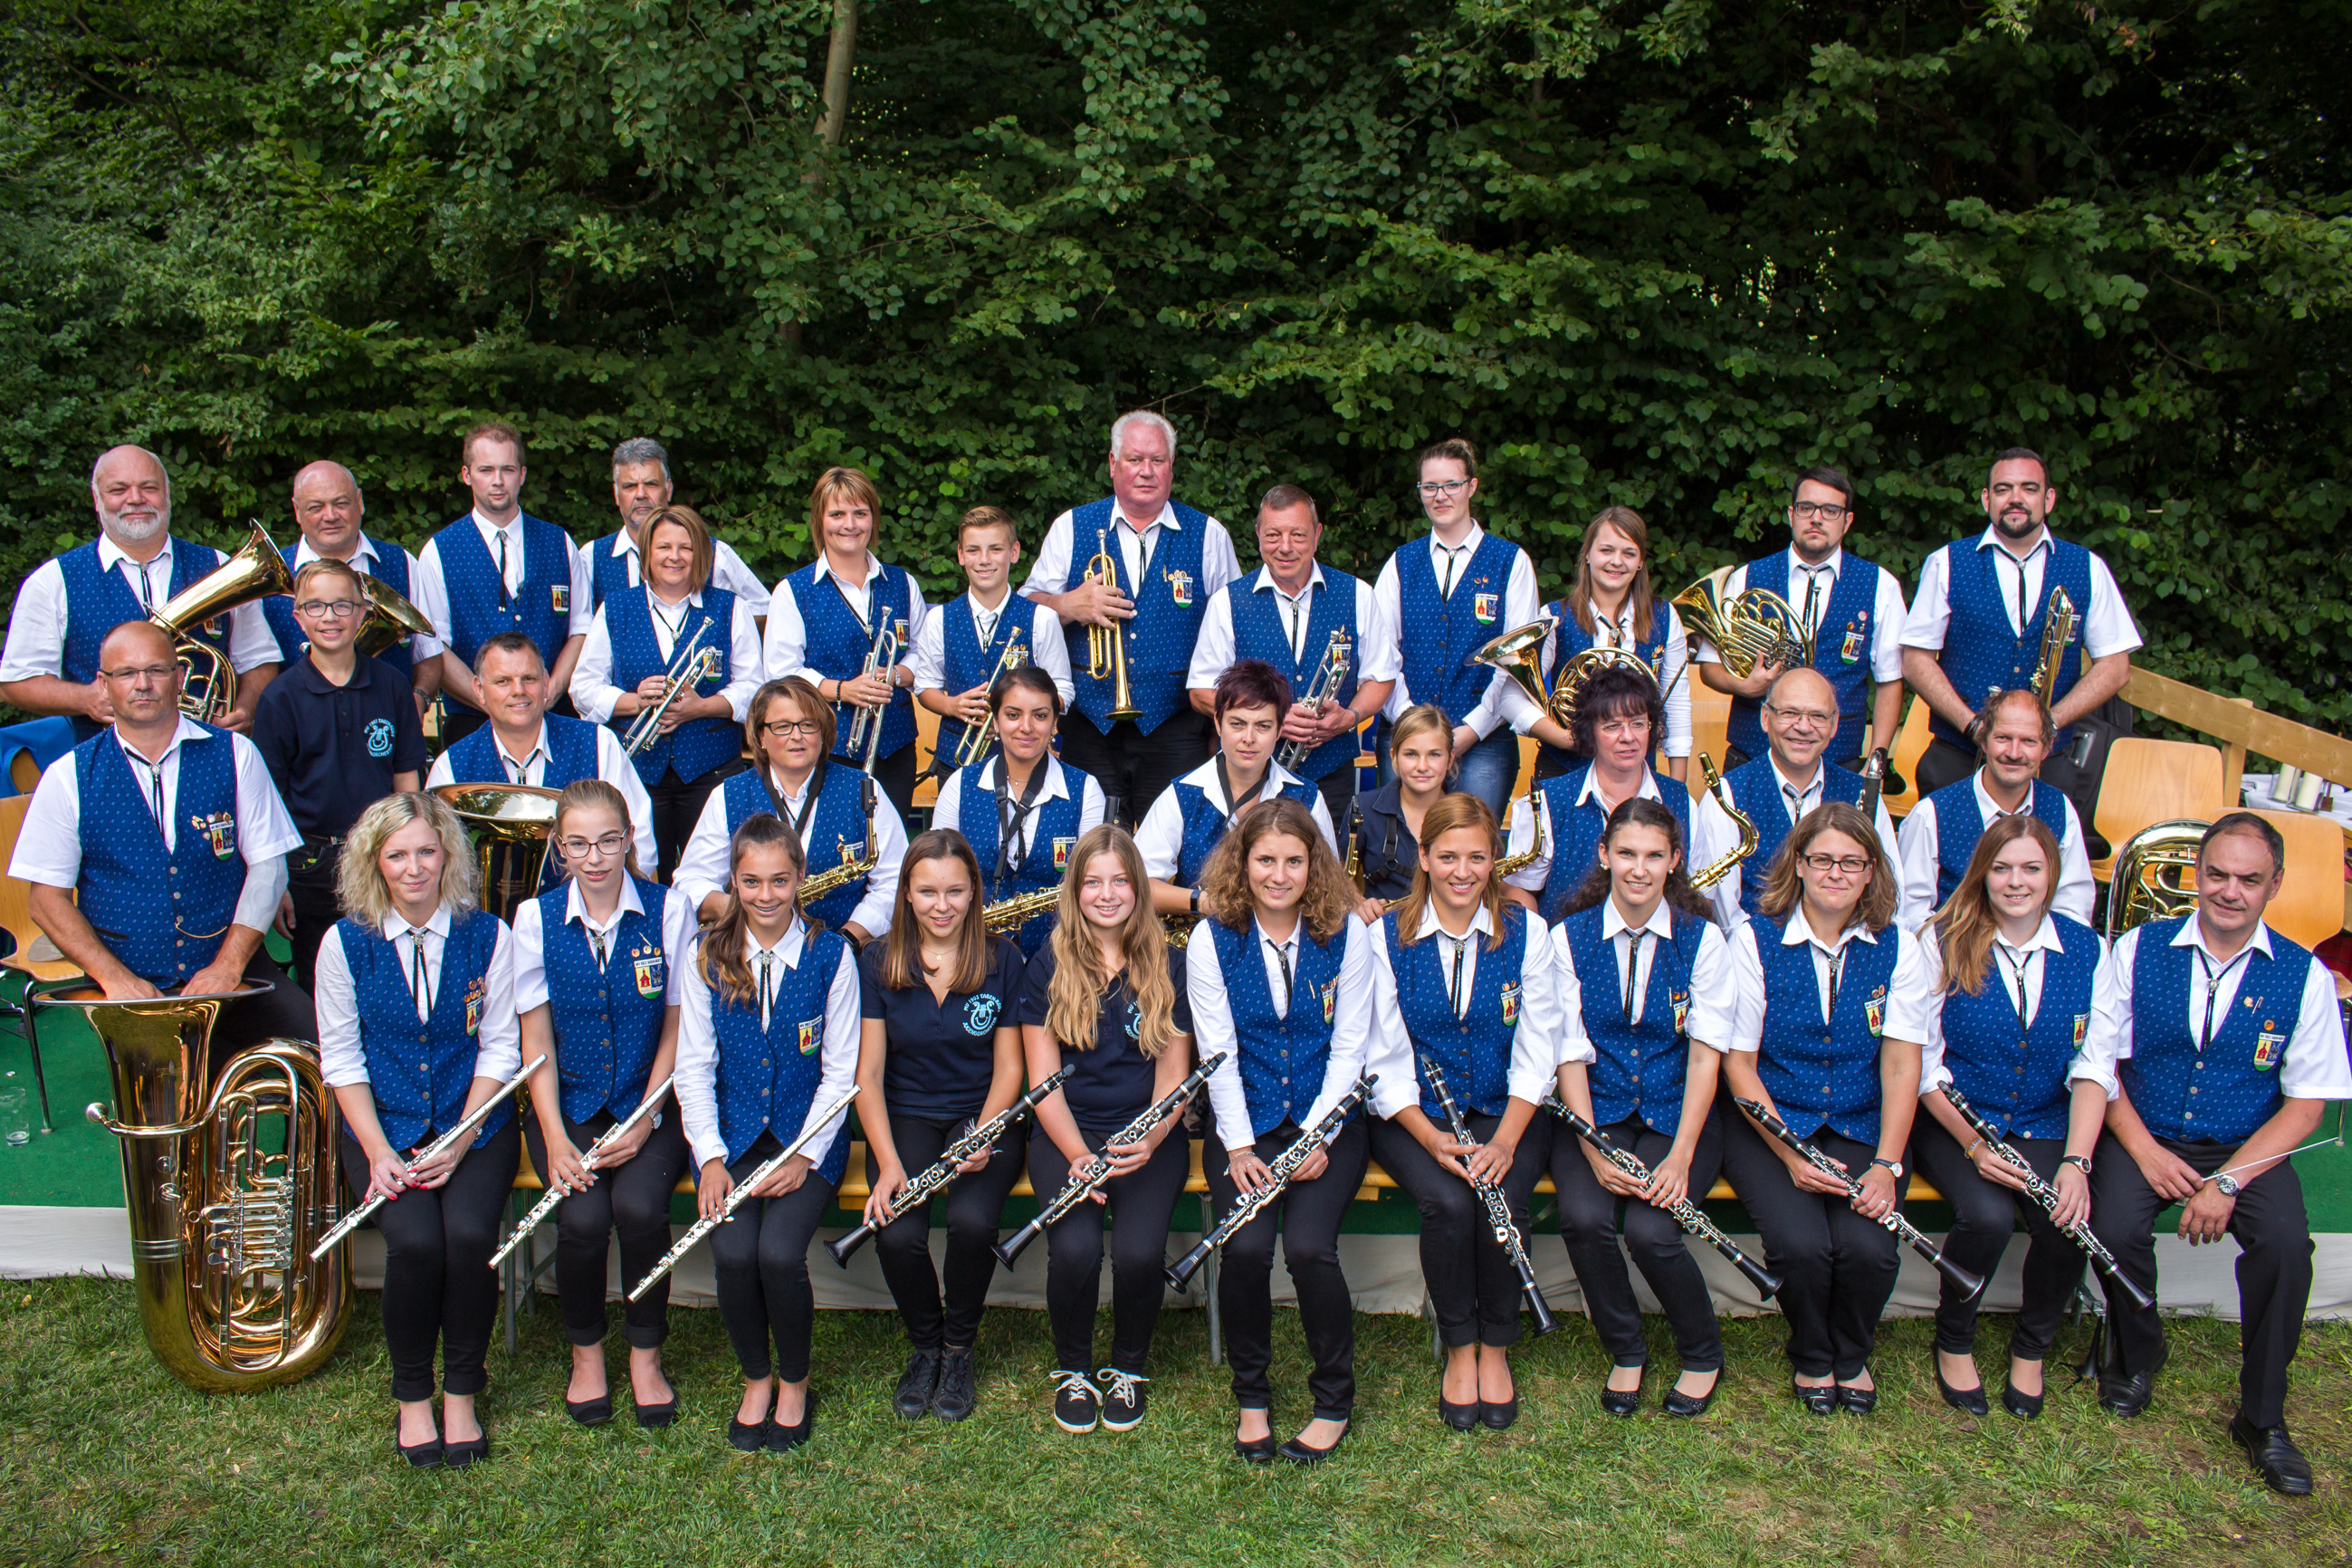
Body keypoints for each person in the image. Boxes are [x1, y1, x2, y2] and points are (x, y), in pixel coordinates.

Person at [2070, 813, 2352, 1494]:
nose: (2230, 892)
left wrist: (2225, 1183)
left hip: (2244, 1145)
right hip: (2146, 1128)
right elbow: (2100, 1062)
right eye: (2218, 875)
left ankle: (2262, 1417)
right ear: (2199, 875)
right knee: (2111, 1228)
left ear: (2275, 884)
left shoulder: (2306, 976)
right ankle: (2137, 1351)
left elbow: (2307, 1104)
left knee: (2287, 1246)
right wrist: (2142, 1151)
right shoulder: (2136, 949)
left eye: (2249, 880)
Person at [313, 791, 522, 1469]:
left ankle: (461, 1390)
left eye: (426, 851)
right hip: (386, 1128)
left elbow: (499, 1048)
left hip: (474, 1126)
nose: (413, 868)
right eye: (397, 854)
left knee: (467, 1240)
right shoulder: (343, 945)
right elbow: (342, 1059)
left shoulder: (490, 934)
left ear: (448, 855)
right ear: (374, 862)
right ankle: (412, 1397)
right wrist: (376, 1153)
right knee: (414, 1245)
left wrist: (464, 1136)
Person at [1709, 802, 1932, 1415]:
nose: (1836, 873)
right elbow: (1739, 1065)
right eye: (1823, 859)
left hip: (1863, 1121)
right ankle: (1812, 1354)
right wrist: (1789, 1154)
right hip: (1770, 1122)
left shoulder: (1899, 948)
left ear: (1871, 873)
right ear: (1799, 865)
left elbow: (1900, 1064)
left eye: (1852, 862)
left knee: (1869, 1247)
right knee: (1800, 1244)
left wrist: (1886, 1165)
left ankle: (1850, 1354)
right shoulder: (1753, 940)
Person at [12, 621, 314, 1063]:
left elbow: (268, 868)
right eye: (126, 673)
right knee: (163, 1112)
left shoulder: (236, 753)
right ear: (103, 683)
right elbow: (46, 900)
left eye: (156, 670)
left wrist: (227, 967)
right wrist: (113, 978)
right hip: (131, 983)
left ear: (178, 676)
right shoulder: (67, 776)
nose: (142, 684)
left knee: (327, 1060)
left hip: (235, 970)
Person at [1892, 815, 2111, 1420]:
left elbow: (2095, 1063)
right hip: (1954, 1121)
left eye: (2032, 869)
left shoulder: (2088, 949)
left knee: (2065, 1216)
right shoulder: (1941, 939)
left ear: (2052, 874)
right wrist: (1975, 1147)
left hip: (2043, 1120)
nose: (2017, 882)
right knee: (1985, 1215)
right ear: (1982, 872)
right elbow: (1924, 1063)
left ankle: (2032, 1348)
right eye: (2003, 867)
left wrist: (2075, 1162)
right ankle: (1954, 1337)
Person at [1363, 793, 1561, 1431]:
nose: (1462, 870)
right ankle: (1459, 1346)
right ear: (1423, 856)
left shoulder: (1528, 932)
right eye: (1447, 856)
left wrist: (1503, 1141)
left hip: (1508, 1109)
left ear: (1494, 859)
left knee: (1507, 1197)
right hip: (1414, 1113)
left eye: (1477, 857)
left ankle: (1496, 1348)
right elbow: (1383, 1056)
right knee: (1448, 1203)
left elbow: (1539, 1046)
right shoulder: (1383, 934)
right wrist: (1430, 1137)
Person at [1188, 798, 1375, 1464]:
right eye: (1265, 860)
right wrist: (1238, 1146)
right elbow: (1217, 1052)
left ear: (1313, 865)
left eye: (1293, 861)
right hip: (1247, 1118)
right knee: (1243, 1249)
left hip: (1328, 1120)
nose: (1279, 873)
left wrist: (1320, 1135)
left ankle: (1333, 1399)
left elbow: (1352, 1043)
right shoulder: (1212, 938)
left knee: (1308, 1248)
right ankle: (1253, 1397)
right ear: (1242, 864)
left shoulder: (1348, 932)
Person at [674, 813, 863, 1452]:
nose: (765, 896)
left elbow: (841, 1073)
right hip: (732, 1140)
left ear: (801, 879)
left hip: (806, 1138)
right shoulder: (705, 954)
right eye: (751, 881)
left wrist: (806, 1154)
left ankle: (794, 1381)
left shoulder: (832, 954)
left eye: (779, 881)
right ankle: (756, 1377)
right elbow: (693, 1066)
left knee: (779, 1255)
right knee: (731, 1255)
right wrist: (709, 1159)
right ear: (733, 880)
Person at [511, 781, 695, 1429]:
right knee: (584, 1220)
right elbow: (535, 1041)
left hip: (654, 1099)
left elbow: (678, 1025)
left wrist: (647, 1118)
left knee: (640, 1207)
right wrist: (557, 1137)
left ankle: (645, 1354)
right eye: (580, 844)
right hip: (570, 1104)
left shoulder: (670, 910)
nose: (595, 858)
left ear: (629, 841)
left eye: (609, 841)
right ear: (560, 848)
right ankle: (586, 1354)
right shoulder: (533, 920)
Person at [1544, 799, 1735, 1418]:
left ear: (1674, 861)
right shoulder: (1565, 937)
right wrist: (1593, 1145)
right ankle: (1626, 1347)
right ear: (1604, 855)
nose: (1639, 868)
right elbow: (1568, 1049)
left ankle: (1702, 1352)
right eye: (1626, 853)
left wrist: (1680, 1156)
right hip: (1592, 1112)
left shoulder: (1703, 941)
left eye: (1654, 855)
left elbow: (1706, 1057)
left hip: (1677, 1113)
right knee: (1583, 1215)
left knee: (1654, 1230)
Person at [1019, 825, 1198, 1435]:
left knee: (1138, 1252)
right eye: (1093, 882)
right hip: (1068, 1132)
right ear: (1074, 890)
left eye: (1120, 881)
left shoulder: (1167, 959)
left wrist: (1148, 1139)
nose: (1107, 894)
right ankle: (1073, 1369)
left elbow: (1175, 1076)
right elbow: (1042, 1082)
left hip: (1150, 1132)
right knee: (1072, 1250)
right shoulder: (1048, 959)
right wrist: (1077, 1154)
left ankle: (1127, 1368)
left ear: (1139, 888)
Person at [854, 829, 1028, 1423]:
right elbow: (870, 1075)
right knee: (897, 1230)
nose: (942, 904)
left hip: (984, 1113)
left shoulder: (1003, 958)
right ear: (906, 893)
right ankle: (925, 1347)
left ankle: (959, 1348)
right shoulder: (877, 961)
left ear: (974, 892)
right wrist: (889, 1164)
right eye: (928, 891)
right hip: (906, 1115)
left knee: (972, 1220)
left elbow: (1010, 1067)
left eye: (956, 891)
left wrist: (982, 1134)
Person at [1019, 410, 1243, 827]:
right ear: (1112, 464)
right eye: (1135, 459)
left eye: (1157, 461)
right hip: (1090, 726)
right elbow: (1024, 610)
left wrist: (1221, 721)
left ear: (1172, 469)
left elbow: (1234, 631)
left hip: (1178, 727)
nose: (1146, 471)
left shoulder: (1209, 534)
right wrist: (1068, 605)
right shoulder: (1071, 526)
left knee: (1178, 850)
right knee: (1095, 849)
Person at [1898, 446, 2142, 821]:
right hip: (1957, 757)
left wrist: (2049, 724)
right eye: (2003, 489)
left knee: (2037, 873)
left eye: (2029, 488)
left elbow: (2115, 666)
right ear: (1986, 499)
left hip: (2048, 763)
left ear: (2049, 499)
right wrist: (1972, 724)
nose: (2015, 499)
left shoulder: (2086, 567)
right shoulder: (1946, 562)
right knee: (1947, 873)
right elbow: (1915, 661)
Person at [0, 445, 280, 738]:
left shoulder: (220, 567)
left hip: (208, 757)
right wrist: (84, 699)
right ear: (97, 499)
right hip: (106, 764)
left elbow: (259, 659)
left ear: (167, 495)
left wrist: (247, 709)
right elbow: (15, 683)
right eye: (118, 490)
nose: (135, 499)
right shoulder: (53, 581)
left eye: (149, 487)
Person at [252, 559, 427, 987]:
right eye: (315, 607)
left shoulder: (390, 685)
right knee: (321, 981)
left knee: (387, 975)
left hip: (382, 858)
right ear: (297, 616)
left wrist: (412, 853)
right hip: (310, 866)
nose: (329, 616)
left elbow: (406, 780)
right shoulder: (279, 698)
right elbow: (267, 805)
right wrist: (277, 885)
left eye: (342, 605)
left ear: (364, 612)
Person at [569, 504, 760, 879]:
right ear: (647, 553)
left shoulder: (730, 608)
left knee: (720, 876)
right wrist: (635, 701)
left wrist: (701, 706)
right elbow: (583, 688)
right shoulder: (617, 608)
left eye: (686, 547)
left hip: (712, 770)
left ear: (700, 553)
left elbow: (755, 687)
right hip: (636, 770)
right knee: (639, 874)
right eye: (663, 547)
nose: (675, 557)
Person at [1186, 484, 1396, 822]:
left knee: (1329, 870)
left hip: (1332, 773)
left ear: (1317, 535)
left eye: (1298, 535)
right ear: (1257, 535)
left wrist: (1351, 717)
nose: (1285, 548)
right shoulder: (1227, 601)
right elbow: (1200, 692)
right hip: (1251, 774)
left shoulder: (1358, 594)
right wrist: (1273, 721)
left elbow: (1381, 676)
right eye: (1273, 535)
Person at [1369, 437, 1541, 820]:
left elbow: (1516, 663)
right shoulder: (1400, 563)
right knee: (1397, 853)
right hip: (1405, 735)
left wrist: (1471, 730)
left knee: (1472, 851)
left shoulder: (1510, 563)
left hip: (1482, 740)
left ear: (1471, 487)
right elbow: (1382, 655)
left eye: (1451, 485)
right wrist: (1410, 723)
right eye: (1429, 487)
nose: (1440, 496)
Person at [424, 632, 656, 911]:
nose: (518, 690)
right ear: (479, 688)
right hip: (484, 925)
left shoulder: (597, 743)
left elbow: (638, 837)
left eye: (529, 679)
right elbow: (438, 859)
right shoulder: (451, 766)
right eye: (502, 681)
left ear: (546, 683)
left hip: (585, 919)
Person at [1696, 467, 1907, 772]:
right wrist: (1744, 685)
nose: (1817, 518)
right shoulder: (1745, 578)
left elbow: (1889, 681)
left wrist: (1876, 764)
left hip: (1840, 760)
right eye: (1807, 508)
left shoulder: (1880, 586)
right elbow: (1709, 667)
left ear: (1847, 521)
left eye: (1830, 510)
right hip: (1752, 756)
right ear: (1792, 514)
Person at [674, 677, 907, 945]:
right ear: (760, 737)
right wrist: (741, 911)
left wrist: (849, 938)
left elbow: (894, 881)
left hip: (848, 951)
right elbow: (691, 882)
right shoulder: (728, 796)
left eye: (808, 725)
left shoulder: (864, 789)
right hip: (751, 953)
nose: (797, 736)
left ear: (823, 732)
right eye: (782, 727)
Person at [762, 466, 930, 821]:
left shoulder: (902, 583)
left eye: (860, 513)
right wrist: (842, 690)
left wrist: (896, 676)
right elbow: (782, 672)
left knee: (892, 843)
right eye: (837, 514)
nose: (849, 524)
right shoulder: (793, 591)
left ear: (873, 519)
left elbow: (922, 654)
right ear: (820, 520)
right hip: (828, 745)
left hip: (895, 746)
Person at [413, 422, 593, 745]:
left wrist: (550, 692)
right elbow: (433, 644)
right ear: (467, 475)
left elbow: (581, 628)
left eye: (507, 469)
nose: (497, 481)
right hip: (472, 726)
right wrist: (488, 699)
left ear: (522, 474)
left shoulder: (560, 542)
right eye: (486, 470)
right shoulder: (438, 551)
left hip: (556, 721)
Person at [1496, 505, 1690, 785]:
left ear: (1640, 563)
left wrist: (1677, 788)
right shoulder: (1554, 617)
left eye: (1629, 553)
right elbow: (1510, 698)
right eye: (1606, 550)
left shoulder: (1664, 616)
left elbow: (1676, 702)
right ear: (1587, 555)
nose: (1617, 561)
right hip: (1564, 770)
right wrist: (1565, 738)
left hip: (1638, 774)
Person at [1692, 668, 1897, 930]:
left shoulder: (1864, 796)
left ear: (1834, 725)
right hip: (1754, 959)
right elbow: (1725, 915)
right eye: (1789, 713)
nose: (1803, 727)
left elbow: (1887, 894)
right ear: (1765, 718)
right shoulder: (1727, 795)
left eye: (1818, 716)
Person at [1139, 660, 1337, 921]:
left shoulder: (1307, 798)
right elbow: (1139, 884)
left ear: (1279, 731)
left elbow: (1327, 887)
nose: (1249, 738)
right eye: (1237, 724)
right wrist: (1207, 902)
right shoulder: (1182, 794)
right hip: (1200, 937)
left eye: (1263, 726)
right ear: (1218, 724)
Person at [929, 665, 1106, 955]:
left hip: (1062, 958)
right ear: (995, 722)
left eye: (1040, 715)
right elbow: (939, 875)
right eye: (1013, 715)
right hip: (973, 953)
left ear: (1054, 723)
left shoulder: (1086, 790)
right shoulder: (959, 785)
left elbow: (1096, 883)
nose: (1026, 727)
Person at [1505, 664, 1691, 925]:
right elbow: (1518, 890)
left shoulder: (1684, 802)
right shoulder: (1547, 802)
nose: (1628, 737)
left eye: (1638, 724)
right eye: (1612, 726)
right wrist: (1541, 950)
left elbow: (1700, 894)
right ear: (1589, 732)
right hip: (1565, 958)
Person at [1894, 687, 2093, 932]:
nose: (2014, 753)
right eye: (2003, 738)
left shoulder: (2060, 808)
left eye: (2028, 741)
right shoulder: (1932, 813)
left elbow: (2072, 906)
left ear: (2047, 748)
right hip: (1950, 960)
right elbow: (1910, 915)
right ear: (1984, 741)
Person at [257, 460, 443, 703]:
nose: (331, 516)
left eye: (341, 503)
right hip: (298, 733)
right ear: (297, 511)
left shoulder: (402, 563)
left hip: (384, 728)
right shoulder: (270, 577)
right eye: (316, 507)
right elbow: (254, 663)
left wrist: (419, 696)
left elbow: (428, 653)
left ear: (360, 501)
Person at [910, 505, 1075, 779]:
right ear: (961, 556)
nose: (984, 560)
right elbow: (925, 686)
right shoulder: (938, 619)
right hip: (956, 763)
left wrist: (1023, 715)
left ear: (1014, 551)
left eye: (995, 549)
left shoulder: (1042, 618)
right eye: (973, 550)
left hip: (1027, 760)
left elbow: (1064, 689)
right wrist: (951, 706)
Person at [584, 437, 772, 620]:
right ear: (616, 495)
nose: (641, 494)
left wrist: (721, 628)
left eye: (651, 484)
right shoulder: (592, 557)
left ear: (669, 489)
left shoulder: (714, 552)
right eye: (630, 486)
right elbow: (578, 626)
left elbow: (764, 610)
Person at [1346, 703, 1455, 912]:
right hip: (1382, 931)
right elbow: (1338, 876)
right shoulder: (1363, 807)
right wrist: (1360, 904)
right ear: (1394, 757)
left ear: (1450, 759)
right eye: (1411, 754)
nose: (1422, 766)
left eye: (1434, 755)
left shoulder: (1469, 816)